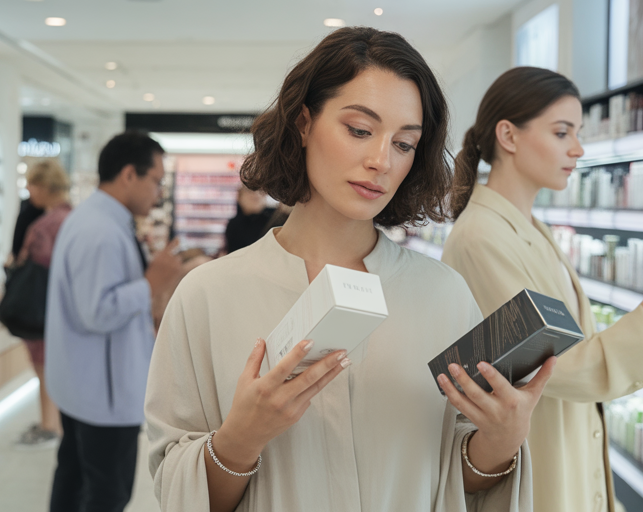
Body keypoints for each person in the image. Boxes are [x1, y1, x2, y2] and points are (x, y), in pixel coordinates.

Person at [145, 27, 549, 512]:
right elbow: (174, 488)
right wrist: (240, 439)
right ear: (303, 123)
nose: (381, 160)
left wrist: (501, 441)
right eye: (359, 130)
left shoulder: (443, 294)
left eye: (404, 144)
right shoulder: (207, 295)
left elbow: (453, 482)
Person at [438, 67, 643, 512]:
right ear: (509, 135)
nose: (578, 149)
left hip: (567, 466)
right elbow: (558, 367)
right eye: (562, 133)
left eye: (577, 133)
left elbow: (568, 349)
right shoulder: (480, 238)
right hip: (537, 474)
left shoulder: (531, 229)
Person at [44, 131, 201, 512]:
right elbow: (97, 311)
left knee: (75, 479)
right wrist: (151, 283)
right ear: (129, 174)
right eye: (156, 180)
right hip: (103, 395)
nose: (159, 192)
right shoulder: (100, 230)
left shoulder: (97, 219)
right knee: (106, 493)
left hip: (87, 386)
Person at [14, 159, 72, 447]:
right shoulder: (75, 218)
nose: (28, 190)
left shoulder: (44, 225)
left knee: (43, 367)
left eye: (32, 184)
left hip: (41, 309)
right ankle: (58, 423)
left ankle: (50, 425)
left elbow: (31, 263)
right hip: (68, 311)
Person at [222, 185, 278, 254]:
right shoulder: (234, 224)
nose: (255, 195)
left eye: (260, 192)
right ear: (239, 197)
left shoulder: (275, 218)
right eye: (249, 192)